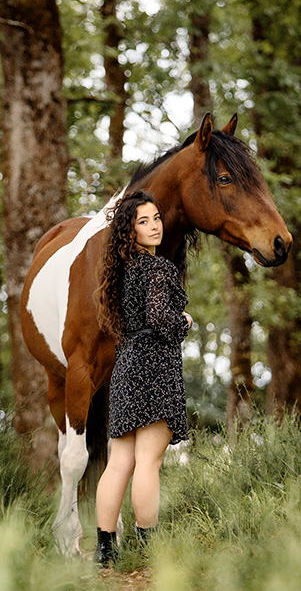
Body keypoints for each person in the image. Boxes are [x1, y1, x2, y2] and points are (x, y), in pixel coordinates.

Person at [92, 190, 193, 567]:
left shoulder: (120, 273)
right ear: (129, 231)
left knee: (119, 462)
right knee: (148, 462)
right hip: (154, 365)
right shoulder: (157, 268)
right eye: (143, 221)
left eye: (156, 218)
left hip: (127, 365)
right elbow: (159, 319)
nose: (154, 227)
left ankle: (104, 550)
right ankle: (149, 550)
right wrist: (183, 321)